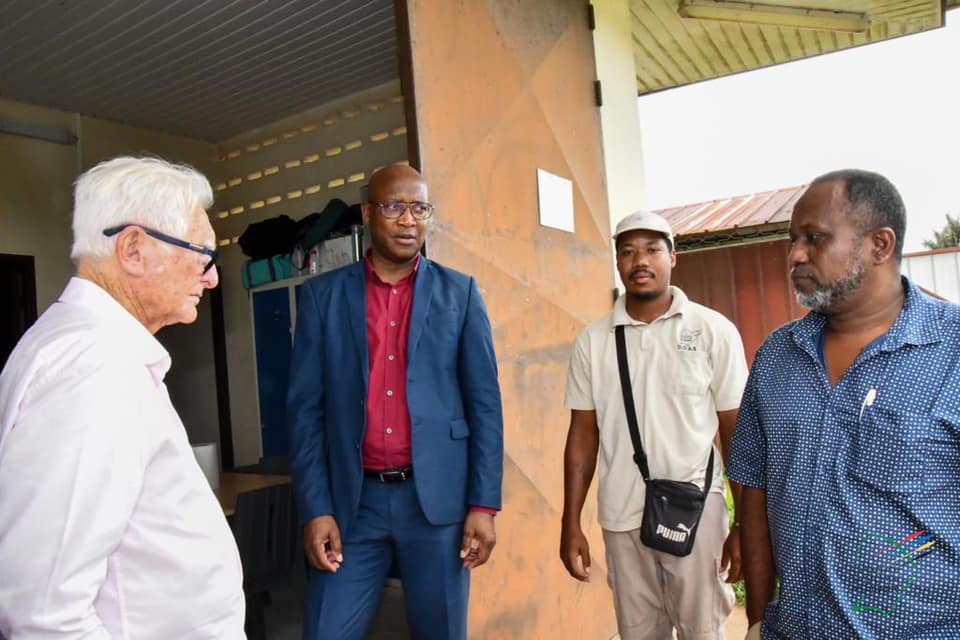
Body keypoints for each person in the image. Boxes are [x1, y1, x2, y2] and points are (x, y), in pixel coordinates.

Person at [0, 157, 243, 638]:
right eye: (202, 254)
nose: (212, 278)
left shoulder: (89, 349)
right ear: (133, 249)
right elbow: (44, 613)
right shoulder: (93, 367)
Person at [729, 169, 960, 639]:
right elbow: (753, 492)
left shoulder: (951, 350)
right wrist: (755, 621)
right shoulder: (776, 356)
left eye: (814, 238)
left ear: (880, 245)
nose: (795, 255)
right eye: (793, 241)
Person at [287, 164, 504, 640]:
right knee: (326, 631)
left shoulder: (460, 294)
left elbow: (485, 406)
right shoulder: (323, 297)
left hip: (437, 507)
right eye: (393, 207)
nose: (408, 220)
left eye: (419, 208)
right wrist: (315, 509)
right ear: (368, 213)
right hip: (352, 505)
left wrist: (483, 504)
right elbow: (305, 412)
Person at [561, 210, 748, 639]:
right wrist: (571, 522)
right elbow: (582, 436)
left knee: (702, 630)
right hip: (622, 515)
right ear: (617, 261)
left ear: (672, 257)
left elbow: (735, 431)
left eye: (651, 250)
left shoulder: (712, 330)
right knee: (639, 633)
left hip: (696, 509)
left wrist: (743, 524)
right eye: (628, 252)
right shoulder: (593, 341)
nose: (639, 261)